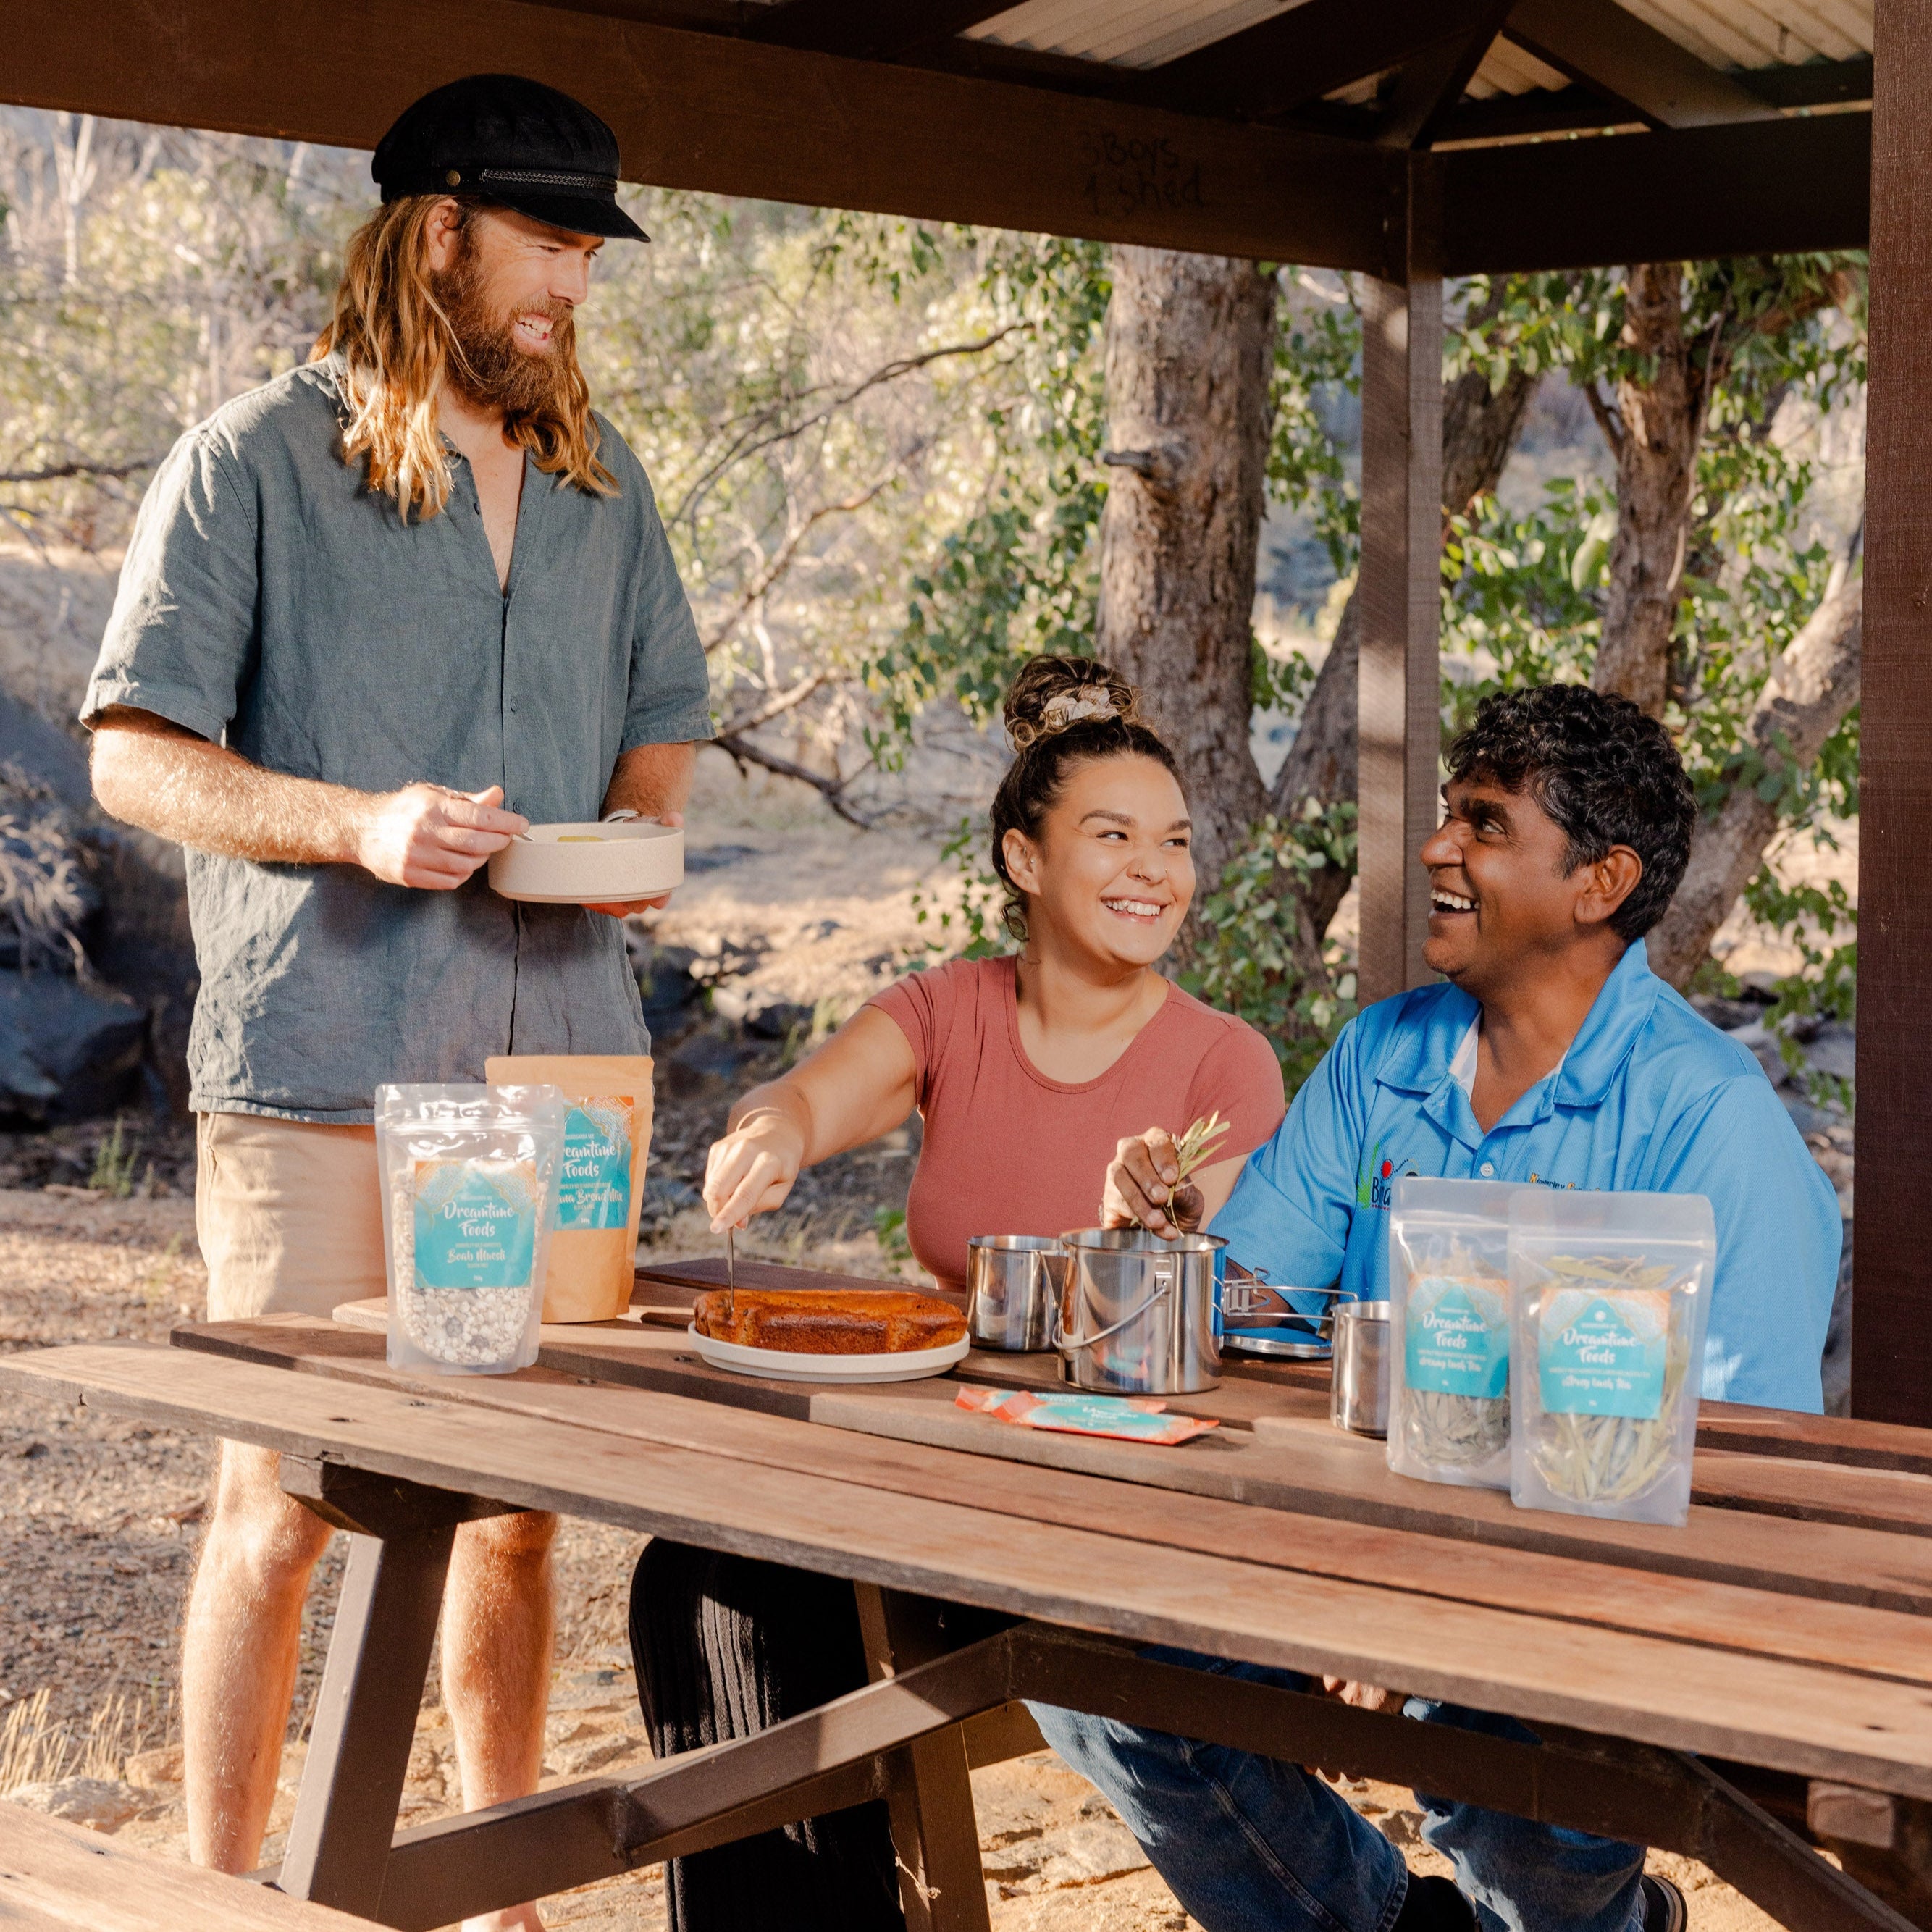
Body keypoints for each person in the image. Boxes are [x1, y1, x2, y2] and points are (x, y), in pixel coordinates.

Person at [81, 75, 711, 1932]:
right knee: (281, 1494)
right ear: (437, 228)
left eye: (591, 252)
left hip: (559, 1076)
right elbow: (132, 758)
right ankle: (228, 1896)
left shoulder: (606, 484)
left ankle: (497, 1885)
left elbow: (660, 729)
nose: (575, 288)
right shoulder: (251, 462)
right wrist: (355, 821)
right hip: (323, 1063)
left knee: (516, 1505)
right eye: (549, 244)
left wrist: (641, 833)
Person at [1051, 683, 1841, 1932]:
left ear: (1600, 883)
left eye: (1482, 825)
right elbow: (1255, 1323)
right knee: (1088, 1657)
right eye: (1446, 818)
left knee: (1502, 1768)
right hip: (1348, 1557)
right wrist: (1165, 1250)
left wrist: (1433, 1610)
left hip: (1586, 1611)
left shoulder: (1711, 1120)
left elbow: (1742, 1476)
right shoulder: (1383, 1057)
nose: (1436, 849)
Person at [628, 655, 1286, 1930]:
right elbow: (815, 1094)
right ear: (1025, 861)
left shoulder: (1224, 1063)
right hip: (945, 1472)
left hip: (1122, 1507)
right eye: (1113, 836)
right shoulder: (951, 1012)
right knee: (697, 1579)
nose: (1156, 868)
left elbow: (1243, 1309)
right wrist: (765, 1133)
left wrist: (1135, 1245)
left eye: (1176, 842)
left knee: (767, 1597)